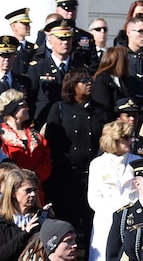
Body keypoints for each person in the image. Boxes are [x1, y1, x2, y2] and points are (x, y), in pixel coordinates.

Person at [45, 66, 105, 236]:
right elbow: (52, 141)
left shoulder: (99, 111)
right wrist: (66, 162)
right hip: (67, 176)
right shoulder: (59, 108)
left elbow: (104, 140)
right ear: (72, 84)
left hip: (92, 176)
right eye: (84, 81)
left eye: (90, 81)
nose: (89, 84)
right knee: (67, 221)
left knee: (91, 222)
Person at [87, 120, 135, 261]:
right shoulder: (97, 164)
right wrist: (115, 216)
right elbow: (94, 198)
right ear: (113, 139)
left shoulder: (138, 162)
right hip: (107, 222)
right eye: (125, 137)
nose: (131, 140)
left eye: (131, 136)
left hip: (131, 223)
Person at [0, 89, 52, 199]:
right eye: (23, 105)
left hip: (35, 192)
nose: (28, 108)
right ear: (12, 110)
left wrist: (33, 177)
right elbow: (1, 166)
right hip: (12, 193)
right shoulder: (0, 137)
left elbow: (46, 160)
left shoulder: (35, 136)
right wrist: (19, 180)